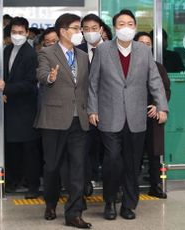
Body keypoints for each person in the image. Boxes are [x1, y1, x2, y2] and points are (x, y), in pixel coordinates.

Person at [88, 9, 168, 220]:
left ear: (134, 27)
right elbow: (93, 83)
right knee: (112, 160)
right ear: (114, 28)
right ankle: (109, 201)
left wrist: (162, 107)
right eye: (121, 24)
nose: (126, 27)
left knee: (133, 164)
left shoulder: (143, 50)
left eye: (130, 24)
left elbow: (155, 80)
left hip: (135, 117)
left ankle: (128, 205)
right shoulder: (103, 50)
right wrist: (92, 109)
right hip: (109, 116)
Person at [35, 13, 91, 229]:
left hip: (79, 119)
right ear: (63, 31)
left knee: (78, 167)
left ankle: (74, 214)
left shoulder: (83, 56)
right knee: (52, 166)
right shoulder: (47, 53)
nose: (80, 32)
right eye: (76, 28)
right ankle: (50, 203)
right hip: (54, 119)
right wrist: (50, 77)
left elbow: (85, 87)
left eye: (81, 29)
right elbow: (41, 75)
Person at [0, 17, 41, 198]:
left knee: (29, 149)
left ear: (27, 32)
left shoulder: (31, 54)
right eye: (14, 32)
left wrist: (7, 88)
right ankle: (13, 181)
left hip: (26, 109)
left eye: (20, 32)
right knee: (12, 148)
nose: (17, 35)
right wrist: (4, 91)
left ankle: (33, 186)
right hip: (10, 107)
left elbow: (30, 84)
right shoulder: (6, 50)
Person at [134, 31, 171, 199]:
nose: (144, 45)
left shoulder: (158, 67)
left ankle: (155, 186)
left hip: (153, 117)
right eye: (141, 42)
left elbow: (165, 90)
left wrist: (158, 106)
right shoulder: (129, 66)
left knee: (154, 154)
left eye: (148, 43)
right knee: (134, 154)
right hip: (133, 116)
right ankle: (131, 187)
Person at [77, 13, 105, 197]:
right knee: (83, 151)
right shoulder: (76, 50)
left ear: (101, 30)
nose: (90, 32)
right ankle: (85, 183)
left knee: (109, 151)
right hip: (82, 110)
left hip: (108, 110)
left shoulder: (112, 50)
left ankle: (112, 187)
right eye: (86, 29)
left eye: (94, 28)